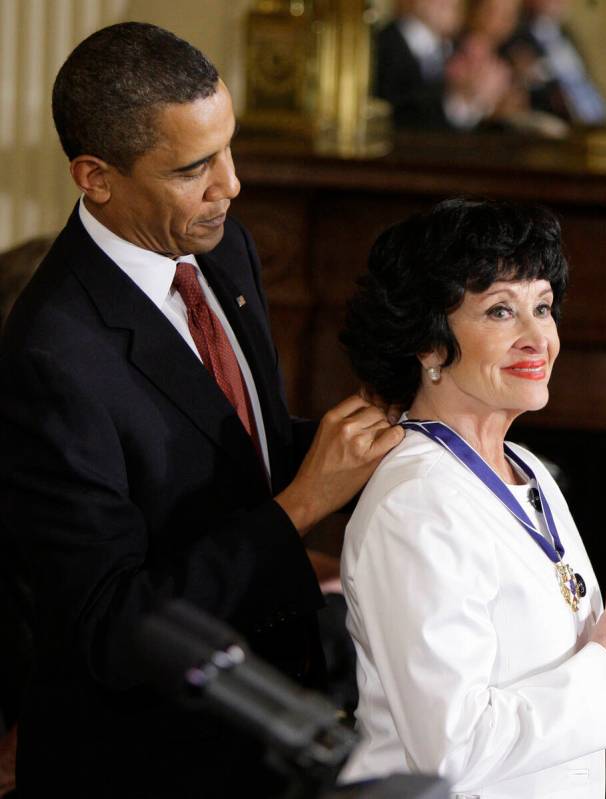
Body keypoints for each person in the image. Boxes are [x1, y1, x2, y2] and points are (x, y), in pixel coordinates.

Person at [0, 22, 403, 799]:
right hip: (142, 765)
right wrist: (300, 507)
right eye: (194, 168)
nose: (232, 184)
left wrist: (364, 436)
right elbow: (112, 627)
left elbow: (229, 454)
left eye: (228, 147)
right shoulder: (49, 357)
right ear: (96, 177)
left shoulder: (219, 244)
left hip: (265, 731)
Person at [338, 198, 606, 797]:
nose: (538, 337)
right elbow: (451, 748)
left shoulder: (526, 468)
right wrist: (603, 672)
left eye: (542, 307)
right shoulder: (418, 503)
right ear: (429, 344)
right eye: (500, 311)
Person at [375, 0, 511, 131]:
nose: (454, 2)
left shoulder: (457, 49)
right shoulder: (380, 47)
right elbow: (395, 117)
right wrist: (459, 100)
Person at [501, 0, 606, 125]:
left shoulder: (566, 33)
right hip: (555, 123)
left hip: (597, 116)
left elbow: (585, 81)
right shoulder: (515, 36)